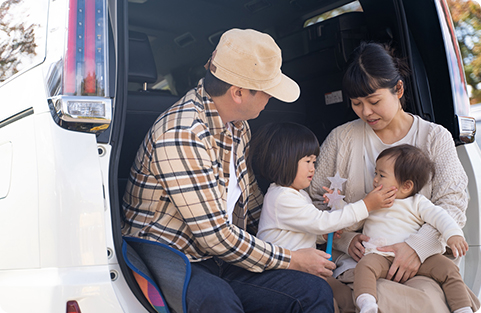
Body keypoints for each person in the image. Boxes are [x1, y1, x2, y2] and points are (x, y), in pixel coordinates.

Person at [122, 28, 335, 313]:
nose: (270, 99)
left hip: (220, 256)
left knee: (312, 291)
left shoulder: (237, 126)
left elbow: (254, 200)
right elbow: (216, 236)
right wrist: (293, 259)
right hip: (172, 258)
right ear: (238, 93)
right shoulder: (182, 134)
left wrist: (308, 226)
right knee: (218, 301)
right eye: (267, 92)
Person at [308, 41, 481, 313]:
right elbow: (316, 201)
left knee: (426, 300)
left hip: (422, 265)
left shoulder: (434, 137)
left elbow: (453, 205)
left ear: (398, 89)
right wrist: (345, 240)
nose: (366, 112)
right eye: (356, 103)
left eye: (374, 101)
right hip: (363, 264)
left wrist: (416, 247)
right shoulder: (342, 139)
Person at [249, 121, 397, 313]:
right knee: (332, 303)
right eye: (307, 161)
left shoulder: (298, 194)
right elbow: (320, 223)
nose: (313, 168)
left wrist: (329, 229)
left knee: (346, 297)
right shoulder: (281, 198)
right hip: (284, 275)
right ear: (284, 161)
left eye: (314, 162)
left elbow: (313, 226)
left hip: (304, 272)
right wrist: (366, 205)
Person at [350, 144, 475, 313]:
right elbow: (354, 217)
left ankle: (463, 308)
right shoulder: (372, 200)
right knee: (364, 266)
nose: (375, 180)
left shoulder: (418, 203)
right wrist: (339, 208)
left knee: (449, 269)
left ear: (406, 186)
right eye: (375, 174)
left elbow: (441, 217)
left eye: (381, 175)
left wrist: (453, 235)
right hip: (380, 255)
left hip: (419, 258)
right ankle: (367, 302)